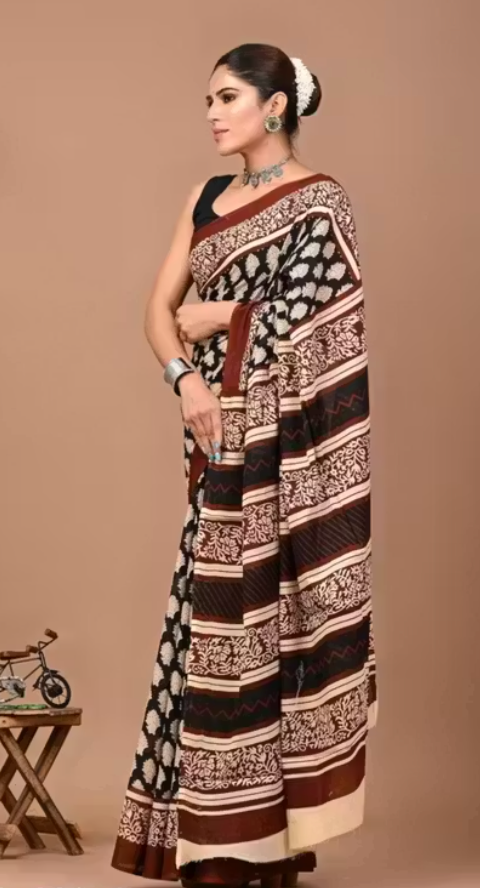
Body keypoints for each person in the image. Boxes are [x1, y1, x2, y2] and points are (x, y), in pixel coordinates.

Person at [111, 42, 377, 888]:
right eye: (208, 100)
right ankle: (223, 837)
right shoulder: (206, 197)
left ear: (276, 107)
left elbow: (325, 324)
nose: (213, 114)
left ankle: (275, 837)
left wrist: (222, 313)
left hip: (290, 453)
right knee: (216, 626)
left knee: (278, 620)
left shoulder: (322, 203)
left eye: (228, 97)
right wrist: (185, 379)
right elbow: (158, 313)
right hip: (220, 435)